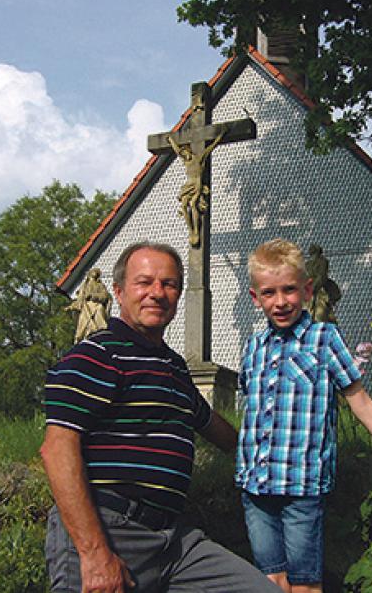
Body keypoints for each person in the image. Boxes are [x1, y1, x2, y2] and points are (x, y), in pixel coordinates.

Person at [41, 242, 282, 593]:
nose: (157, 293)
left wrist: (274, 453)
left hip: (174, 541)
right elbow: (57, 449)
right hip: (111, 528)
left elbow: (214, 427)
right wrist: (94, 554)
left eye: (168, 284)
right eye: (145, 282)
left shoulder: (173, 367)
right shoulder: (95, 356)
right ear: (120, 292)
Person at [237, 239, 372, 593]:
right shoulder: (253, 347)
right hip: (256, 487)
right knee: (269, 580)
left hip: (301, 487)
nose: (280, 301)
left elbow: (360, 401)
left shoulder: (323, 338)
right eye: (269, 293)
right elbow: (250, 409)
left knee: (305, 583)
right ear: (255, 297)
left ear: (307, 289)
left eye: (289, 290)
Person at [65, 268, 112, 343]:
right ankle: (86, 333)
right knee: (84, 316)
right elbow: (79, 300)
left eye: (96, 273)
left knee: (99, 309)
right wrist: (71, 307)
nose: (94, 274)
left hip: (97, 304)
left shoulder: (100, 285)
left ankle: (100, 329)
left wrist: (93, 296)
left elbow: (105, 296)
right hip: (85, 307)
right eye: (93, 272)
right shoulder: (84, 286)